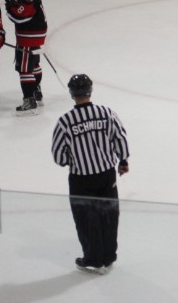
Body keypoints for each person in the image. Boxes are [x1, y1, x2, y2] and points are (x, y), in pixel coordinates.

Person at [51, 74, 130, 275]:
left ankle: (94, 259)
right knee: (109, 215)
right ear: (90, 90)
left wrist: (75, 159)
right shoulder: (106, 113)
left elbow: (59, 157)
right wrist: (123, 161)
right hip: (106, 175)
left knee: (86, 219)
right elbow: (120, 137)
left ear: (71, 93)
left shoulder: (65, 121)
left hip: (81, 179)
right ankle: (109, 256)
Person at [4, 0, 47, 115]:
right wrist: (15, 5)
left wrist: (10, 8)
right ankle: (36, 91)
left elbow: (22, 17)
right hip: (38, 35)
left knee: (24, 69)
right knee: (34, 64)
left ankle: (29, 101)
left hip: (29, 36)